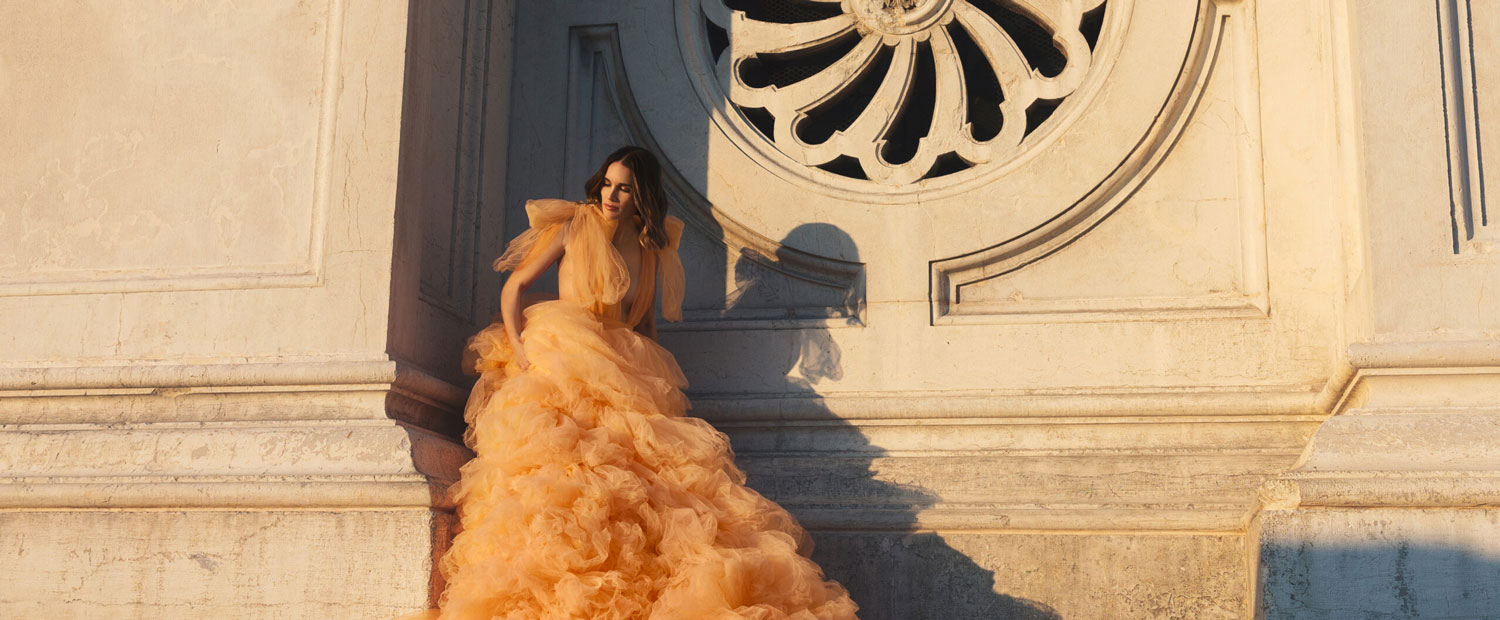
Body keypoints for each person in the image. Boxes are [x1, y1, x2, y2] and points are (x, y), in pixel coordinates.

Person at [424, 146, 859, 619]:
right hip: (561, 355)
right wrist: (521, 351)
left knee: (646, 485)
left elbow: (645, 326)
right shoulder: (575, 225)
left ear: (641, 195)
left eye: (624, 187)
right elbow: (515, 287)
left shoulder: (652, 245)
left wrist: (652, 385)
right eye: (608, 184)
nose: (611, 195)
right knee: (557, 477)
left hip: (621, 364)